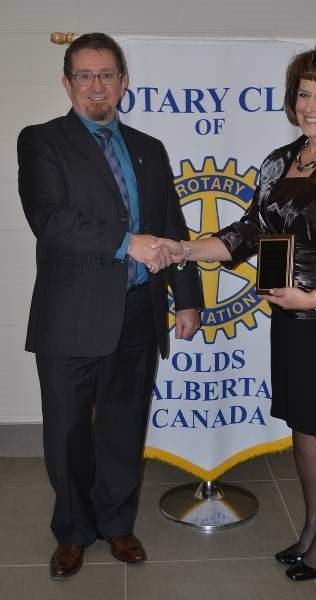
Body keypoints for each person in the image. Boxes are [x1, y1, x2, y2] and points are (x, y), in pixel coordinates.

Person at [154, 40, 316, 581]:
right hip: (289, 315)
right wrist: (185, 249)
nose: (311, 105)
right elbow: (248, 233)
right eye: (304, 93)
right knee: (303, 428)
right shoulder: (279, 162)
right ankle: (314, 525)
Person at [17, 32, 201, 579]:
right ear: (67, 83)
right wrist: (128, 243)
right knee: (68, 432)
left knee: (123, 427)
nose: (97, 86)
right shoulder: (42, 141)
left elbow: (171, 228)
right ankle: (72, 530)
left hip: (139, 311)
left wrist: (186, 299)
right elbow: (48, 220)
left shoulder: (149, 147)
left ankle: (118, 523)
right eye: (85, 76)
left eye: (107, 75)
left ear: (123, 82)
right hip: (69, 315)